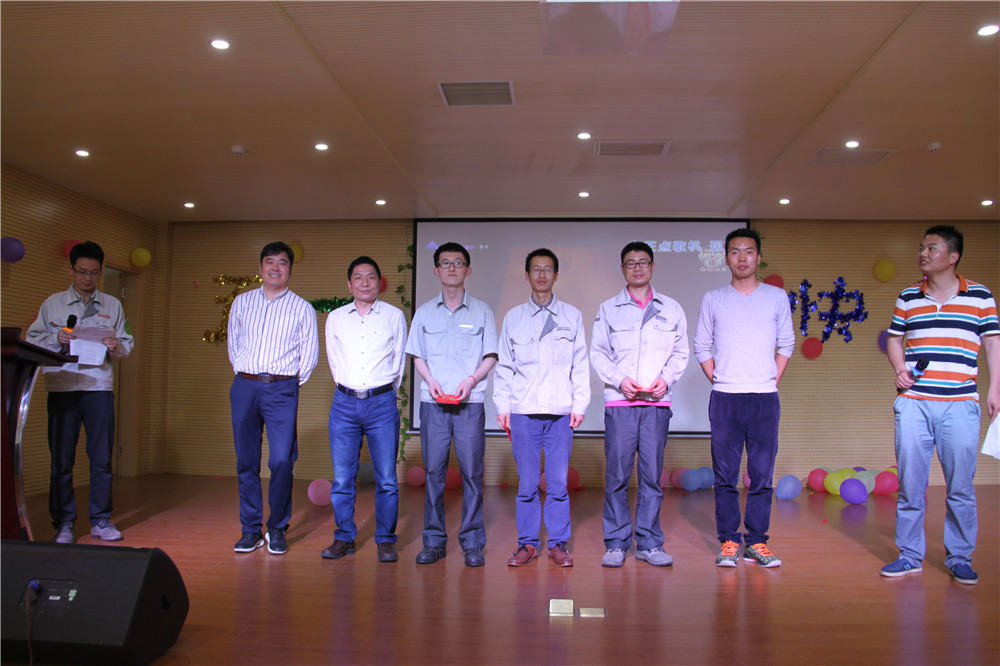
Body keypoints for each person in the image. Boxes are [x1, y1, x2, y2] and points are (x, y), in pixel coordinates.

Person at [881, 225, 998, 584]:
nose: (923, 253)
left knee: (960, 487)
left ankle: (960, 557)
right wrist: (900, 369)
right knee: (910, 486)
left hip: (960, 403)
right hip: (914, 403)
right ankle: (909, 555)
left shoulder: (980, 296)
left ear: (953, 256)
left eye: (931, 248)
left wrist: (995, 388)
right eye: (921, 247)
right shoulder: (908, 297)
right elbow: (894, 340)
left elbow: (993, 344)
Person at [693, 228, 794, 569]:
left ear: (758, 257)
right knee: (725, 476)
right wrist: (718, 378)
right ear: (726, 258)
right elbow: (701, 345)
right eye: (735, 251)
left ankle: (757, 542)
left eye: (748, 251)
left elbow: (787, 343)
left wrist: (770, 378)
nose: (742, 258)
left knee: (762, 475)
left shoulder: (776, 297)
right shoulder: (714, 298)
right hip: (725, 398)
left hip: (764, 399)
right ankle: (729, 541)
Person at [26, 241, 133, 544]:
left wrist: (117, 345)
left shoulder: (112, 305)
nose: (87, 278)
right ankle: (64, 523)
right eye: (82, 272)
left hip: (98, 387)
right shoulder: (53, 304)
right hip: (63, 386)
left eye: (93, 272)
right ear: (72, 270)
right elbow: (32, 340)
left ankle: (101, 519)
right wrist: (55, 337)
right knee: (62, 459)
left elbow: (127, 343)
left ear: (100, 271)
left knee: (101, 458)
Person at [591, 241, 688, 568]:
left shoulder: (671, 308)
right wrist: (620, 380)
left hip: (656, 406)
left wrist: (667, 379)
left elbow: (681, 352)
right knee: (617, 477)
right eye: (631, 263)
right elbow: (598, 353)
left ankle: (649, 542)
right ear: (622, 269)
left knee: (651, 478)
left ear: (652, 266)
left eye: (643, 262)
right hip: (620, 405)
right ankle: (616, 543)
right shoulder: (609, 309)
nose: (637, 268)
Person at [494, 249, 589, 567]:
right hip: (523, 411)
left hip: (560, 412)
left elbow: (580, 364)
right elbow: (504, 366)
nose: (542, 275)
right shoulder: (514, 317)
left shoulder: (572, 316)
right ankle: (527, 544)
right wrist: (503, 405)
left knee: (558, 484)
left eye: (548, 269)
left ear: (556, 276)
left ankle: (558, 544)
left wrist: (579, 403)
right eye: (536, 269)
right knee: (527, 484)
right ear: (527, 276)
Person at [406, 242, 498, 567]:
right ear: (436, 271)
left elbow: (490, 355)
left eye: (458, 262)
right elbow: (417, 355)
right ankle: (433, 541)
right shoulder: (424, 313)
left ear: (467, 270)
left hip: (469, 404)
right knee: (434, 472)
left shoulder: (483, 311)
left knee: (472, 473)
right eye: (445, 263)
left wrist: (471, 380)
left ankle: (472, 542)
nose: (451, 268)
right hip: (433, 404)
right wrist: (429, 380)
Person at [228, 241, 318, 555]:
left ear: (290, 269)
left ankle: (277, 528)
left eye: (282, 262)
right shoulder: (242, 302)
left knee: (281, 460)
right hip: (245, 385)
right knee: (246, 461)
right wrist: (247, 374)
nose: (275, 267)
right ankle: (250, 530)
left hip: (282, 388)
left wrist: (287, 383)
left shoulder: (302, 308)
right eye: (269, 261)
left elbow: (309, 355)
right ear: (260, 267)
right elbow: (234, 345)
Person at [323, 256, 407, 563]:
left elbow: (399, 360)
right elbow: (334, 360)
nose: (365, 283)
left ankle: (385, 539)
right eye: (358, 277)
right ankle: (344, 537)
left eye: (371, 277)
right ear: (349, 284)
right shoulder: (336, 318)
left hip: (381, 403)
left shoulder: (394, 316)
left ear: (379, 283)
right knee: (342, 478)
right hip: (344, 403)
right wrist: (351, 388)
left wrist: (381, 391)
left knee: (387, 478)